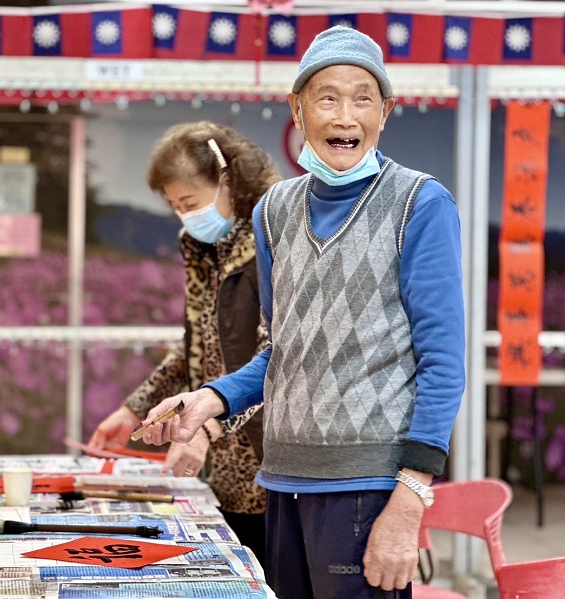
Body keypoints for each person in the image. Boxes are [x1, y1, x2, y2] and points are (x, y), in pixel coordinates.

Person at [137, 26, 465, 599]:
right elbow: (282, 350)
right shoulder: (273, 213)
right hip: (282, 481)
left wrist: (411, 497)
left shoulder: (421, 203)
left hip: (367, 486)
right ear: (297, 108)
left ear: (385, 112)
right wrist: (210, 399)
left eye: (363, 98)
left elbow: (443, 363)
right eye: (327, 97)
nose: (345, 116)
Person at [88, 121, 281, 566]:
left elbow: (280, 363)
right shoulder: (203, 250)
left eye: (191, 203)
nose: (186, 217)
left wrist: (206, 424)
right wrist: (134, 408)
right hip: (217, 465)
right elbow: (195, 350)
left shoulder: (273, 245)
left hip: (270, 464)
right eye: (175, 207)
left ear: (229, 181)